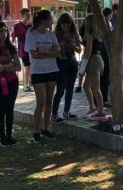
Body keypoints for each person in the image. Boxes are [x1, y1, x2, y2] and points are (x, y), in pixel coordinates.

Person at [24, 10, 59, 143]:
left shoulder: (51, 34)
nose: (52, 21)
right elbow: (34, 55)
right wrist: (49, 53)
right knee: (41, 102)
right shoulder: (31, 34)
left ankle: (46, 129)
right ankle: (36, 131)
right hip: (38, 72)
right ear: (43, 21)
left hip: (52, 70)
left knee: (49, 101)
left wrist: (43, 52)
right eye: (50, 19)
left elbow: (57, 53)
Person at [0, 21, 21, 146]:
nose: (4, 33)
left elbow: (18, 67)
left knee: (10, 109)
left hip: (12, 82)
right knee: (1, 110)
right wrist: (10, 65)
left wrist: (3, 66)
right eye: (1, 31)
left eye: (5, 31)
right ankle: (3, 138)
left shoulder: (11, 48)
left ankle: (9, 136)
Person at [51, 13, 81, 122]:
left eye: (68, 25)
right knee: (60, 90)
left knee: (70, 89)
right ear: (60, 25)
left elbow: (79, 50)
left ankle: (66, 112)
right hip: (61, 62)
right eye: (64, 26)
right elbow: (53, 50)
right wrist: (60, 45)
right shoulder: (55, 35)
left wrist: (72, 45)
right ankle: (54, 114)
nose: (66, 28)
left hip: (72, 62)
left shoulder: (74, 34)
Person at [78, 9, 105, 119]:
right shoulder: (98, 34)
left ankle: (101, 110)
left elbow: (88, 51)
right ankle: (93, 107)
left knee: (96, 88)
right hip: (98, 59)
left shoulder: (89, 34)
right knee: (86, 86)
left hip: (93, 60)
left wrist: (82, 67)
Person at [12, 8, 32, 92]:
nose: (29, 16)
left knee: (31, 67)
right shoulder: (17, 26)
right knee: (27, 66)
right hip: (23, 50)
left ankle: (30, 84)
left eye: (29, 15)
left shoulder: (31, 25)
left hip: (32, 49)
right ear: (23, 15)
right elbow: (13, 37)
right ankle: (25, 85)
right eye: (27, 14)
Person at [100, 7, 112, 106]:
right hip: (103, 52)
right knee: (103, 77)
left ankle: (104, 98)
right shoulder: (102, 24)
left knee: (105, 77)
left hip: (106, 52)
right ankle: (103, 99)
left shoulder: (108, 23)